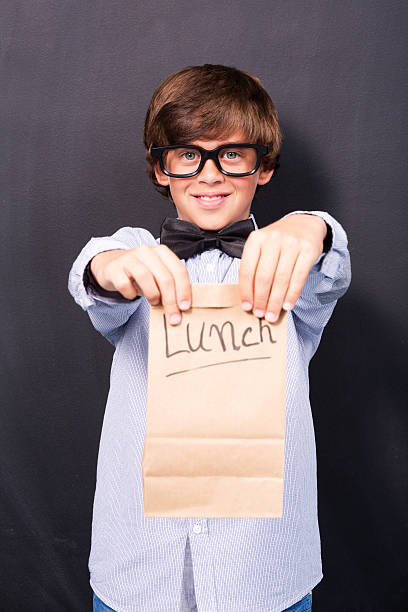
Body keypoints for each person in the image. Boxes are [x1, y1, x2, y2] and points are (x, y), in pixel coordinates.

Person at [68, 64, 351, 612]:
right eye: (188, 154)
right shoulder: (138, 250)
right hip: (139, 567)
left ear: (262, 166)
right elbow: (95, 268)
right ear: (161, 168)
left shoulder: (292, 265)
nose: (210, 174)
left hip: (263, 568)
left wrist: (311, 225)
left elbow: (331, 265)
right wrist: (117, 266)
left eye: (232, 154)